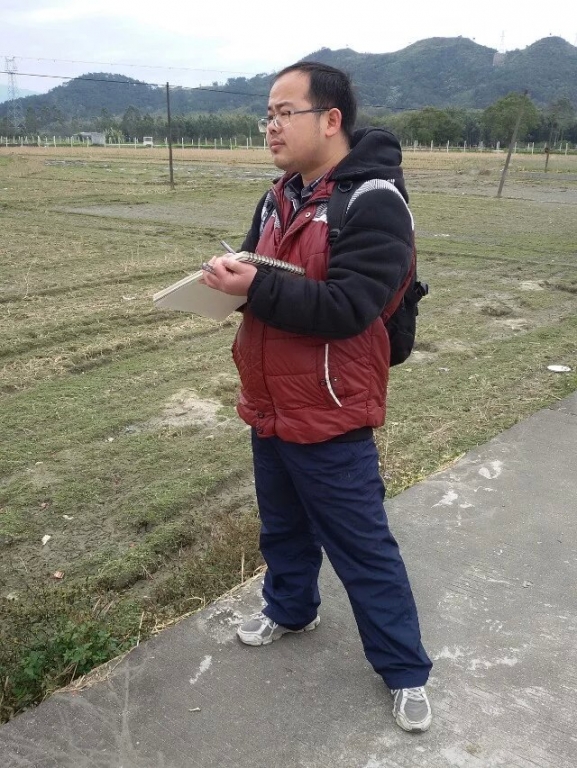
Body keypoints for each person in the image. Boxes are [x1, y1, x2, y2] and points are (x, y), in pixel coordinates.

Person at [201, 61, 433, 733]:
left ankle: (405, 670)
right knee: (281, 527)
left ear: (331, 120)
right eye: (267, 115)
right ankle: (290, 609)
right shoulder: (279, 196)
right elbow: (261, 271)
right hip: (270, 399)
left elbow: (349, 307)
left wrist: (253, 286)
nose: (270, 127)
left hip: (331, 408)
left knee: (361, 546)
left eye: (285, 112)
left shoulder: (373, 201)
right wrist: (227, 278)